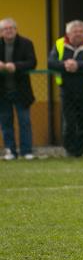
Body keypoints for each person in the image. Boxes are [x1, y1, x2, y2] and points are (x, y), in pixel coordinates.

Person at [47, 20, 83, 157]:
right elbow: (51, 63)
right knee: (69, 121)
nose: (78, 34)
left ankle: (82, 148)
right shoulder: (59, 44)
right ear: (68, 33)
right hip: (67, 89)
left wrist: (78, 65)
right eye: (75, 31)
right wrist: (65, 65)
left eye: (81, 31)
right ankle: (70, 149)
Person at [0, 18, 36, 160]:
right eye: (5, 29)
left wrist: (16, 66)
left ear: (16, 29)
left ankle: (26, 151)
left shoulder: (26, 43)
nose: (9, 31)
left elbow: (32, 62)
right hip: (2, 92)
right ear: (1, 32)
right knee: (6, 123)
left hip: (22, 91)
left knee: (25, 122)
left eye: (11, 28)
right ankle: (10, 151)